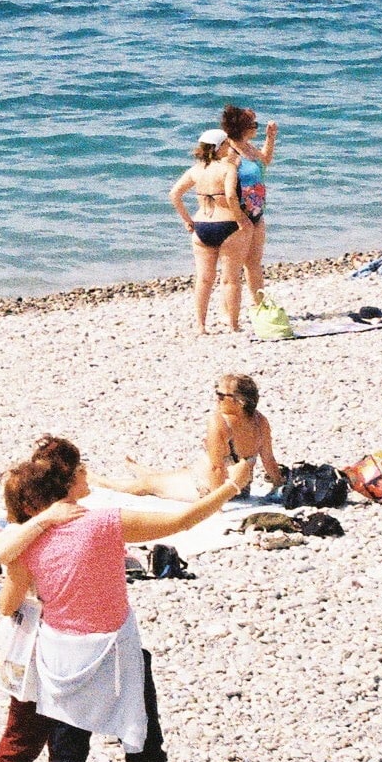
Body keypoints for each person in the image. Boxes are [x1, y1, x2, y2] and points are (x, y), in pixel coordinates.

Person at [0, 438, 250, 762]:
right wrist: (232, 487)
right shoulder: (106, 522)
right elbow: (183, 520)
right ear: (66, 483)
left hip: (62, 658)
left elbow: (5, 604)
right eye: (81, 468)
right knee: (147, 754)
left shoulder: (24, 544)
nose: (87, 473)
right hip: (117, 652)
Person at [95, 375, 280, 501]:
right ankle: (142, 469)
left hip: (207, 489)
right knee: (175, 473)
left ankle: (98, 480)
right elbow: (269, 460)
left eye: (221, 395)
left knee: (145, 485)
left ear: (240, 402)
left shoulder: (220, 422)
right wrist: (279, 486)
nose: (216, 398)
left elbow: (216, 468)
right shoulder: (260, 421)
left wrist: (216, 507)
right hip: (241, 490)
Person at [169, 134, 248, 335]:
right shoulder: (228, 168)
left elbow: (174, 194)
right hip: (228, 224)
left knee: (204, 279)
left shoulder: (196, 170)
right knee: (230, 279)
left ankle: (201, 326)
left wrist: (187, 220)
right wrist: (240, 219)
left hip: (202, 225)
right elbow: (230, 195)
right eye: (227, 144)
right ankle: (233, 325)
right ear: (219, 147)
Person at [221, 106, 278, 309]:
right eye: (254, 124)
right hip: (237, 215)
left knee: (254, 262)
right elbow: (222, 183)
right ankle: (228, 312)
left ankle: (261, 307)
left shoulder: (248, 147)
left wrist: (270, 138)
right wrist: (238, 217)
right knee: (232, 269)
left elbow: (265, 160)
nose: (256, 127)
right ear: (243, 127)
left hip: (256, 212)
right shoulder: (229, 151)